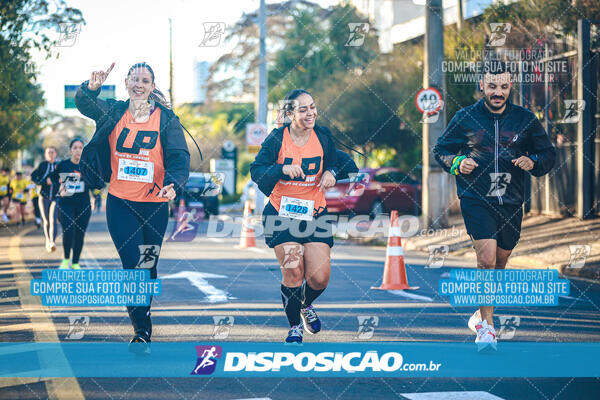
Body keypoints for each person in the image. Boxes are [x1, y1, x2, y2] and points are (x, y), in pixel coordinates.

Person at [433, 59, 556, 351]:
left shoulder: (525, 119)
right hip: (476, 198)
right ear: (481, 86)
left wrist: (533, 161)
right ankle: (488, 327)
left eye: (502, 86)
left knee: (500, 262)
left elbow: (548, 154)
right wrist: (458, 162)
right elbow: (441, 150)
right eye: (491, 86)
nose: (497, 92)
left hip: (512, 200)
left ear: (510, 85)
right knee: (486, 260)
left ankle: (479, 313)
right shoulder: (465, 117)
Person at [75, 61, 190, 355]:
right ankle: (141, 329)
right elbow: (85, 103)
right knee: (132, 264)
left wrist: (174, 184)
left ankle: (144, 313)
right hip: (120, 202)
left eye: (145, 80)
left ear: (153, 86)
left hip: (155, 205)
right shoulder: (113, 110)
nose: (139, 84)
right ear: (126, 83)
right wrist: (92, 86)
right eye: (135, 79)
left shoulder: (166, 119)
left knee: (148, 265)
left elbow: (179, 157)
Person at [250, 89, 357, 344]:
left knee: (319, 277)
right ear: (290, 114)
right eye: (303, 109)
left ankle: (305, 304)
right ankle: (294, 327)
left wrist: (331, 172)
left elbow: (339, 162)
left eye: (313, 107)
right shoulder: (277, 139)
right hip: (281, 213)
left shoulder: (322, 135)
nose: (311, 113)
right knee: (293, 270)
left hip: (315, 214)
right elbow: (256, 170)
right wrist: (281, 168)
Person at [54, 138, 92, 270]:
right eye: (75, 147)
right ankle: (66, 259)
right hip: (66, 204)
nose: (77, 150)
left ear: (83, 150)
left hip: (83, 204)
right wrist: (59, 186)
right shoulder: (63, 165)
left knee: (79, 234)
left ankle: (75, 262)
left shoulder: (87, 166)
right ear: (70, 150)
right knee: (68, 230)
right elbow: (52, 180)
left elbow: (96, 183)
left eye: (80, 147)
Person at [31, 146, 60, 252]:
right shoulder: (43, 165)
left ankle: (53, 241)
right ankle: (48, 240)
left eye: (52, 152)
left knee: (54, 219)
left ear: (55, 154)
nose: (50, 154)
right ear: (45, 155)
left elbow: (64, 178)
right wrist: (44, 182)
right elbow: (34, 177)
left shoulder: (59, 165)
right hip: (44, 197)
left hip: (56, 196)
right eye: (48, 153)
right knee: (46, 220)